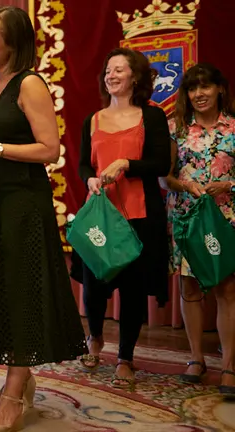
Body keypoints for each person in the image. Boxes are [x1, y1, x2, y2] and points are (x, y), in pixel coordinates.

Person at [0, 7, 87, 431]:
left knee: (22, 296)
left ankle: (13, 397)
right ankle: (23, 381)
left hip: (23, 207)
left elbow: (50, 149)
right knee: (1, 294)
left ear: (13, 43)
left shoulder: (30, 84)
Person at [76, 47, 171, 390]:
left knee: (132, 291)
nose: (111, 75)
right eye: (108, 70)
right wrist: (89, 177)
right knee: (93, 287)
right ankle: (95, 339)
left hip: (138, 215)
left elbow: (162, 165)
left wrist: (127, 165)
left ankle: (125, 358)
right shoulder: (94, 119)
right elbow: (84, 164)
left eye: (119, 70)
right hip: (99, 217)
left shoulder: (152, 116)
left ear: (136, 77)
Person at [161, 63, 235, 397]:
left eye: (205, 87)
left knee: (227, 291)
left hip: (226, 220)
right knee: (190, 290)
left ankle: (230, 365)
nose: (198, 94)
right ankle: (195, 358)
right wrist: (183, 185)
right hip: (186, 219)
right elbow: (165, 177)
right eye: (192, 89)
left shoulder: (234, 127)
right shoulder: (175, 128)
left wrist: (229, 183)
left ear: (220, 89)